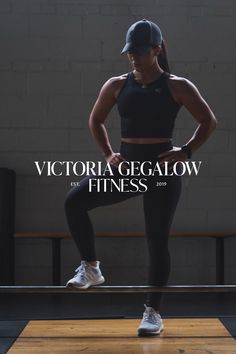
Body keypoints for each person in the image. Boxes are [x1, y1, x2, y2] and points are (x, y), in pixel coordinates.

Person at [64, 19, 217, 336]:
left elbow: (208, 121)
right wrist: (109, 154)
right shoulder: (117, 85)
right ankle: (91, 267)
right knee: (74, 202)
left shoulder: (178, 86)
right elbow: (96, 119)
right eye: (130, 51)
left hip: (161, 171)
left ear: (157, 50)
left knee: (156, 240)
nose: (133, 56)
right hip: (128, 169)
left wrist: (185, 151)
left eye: (140, 51)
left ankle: (152, 313)